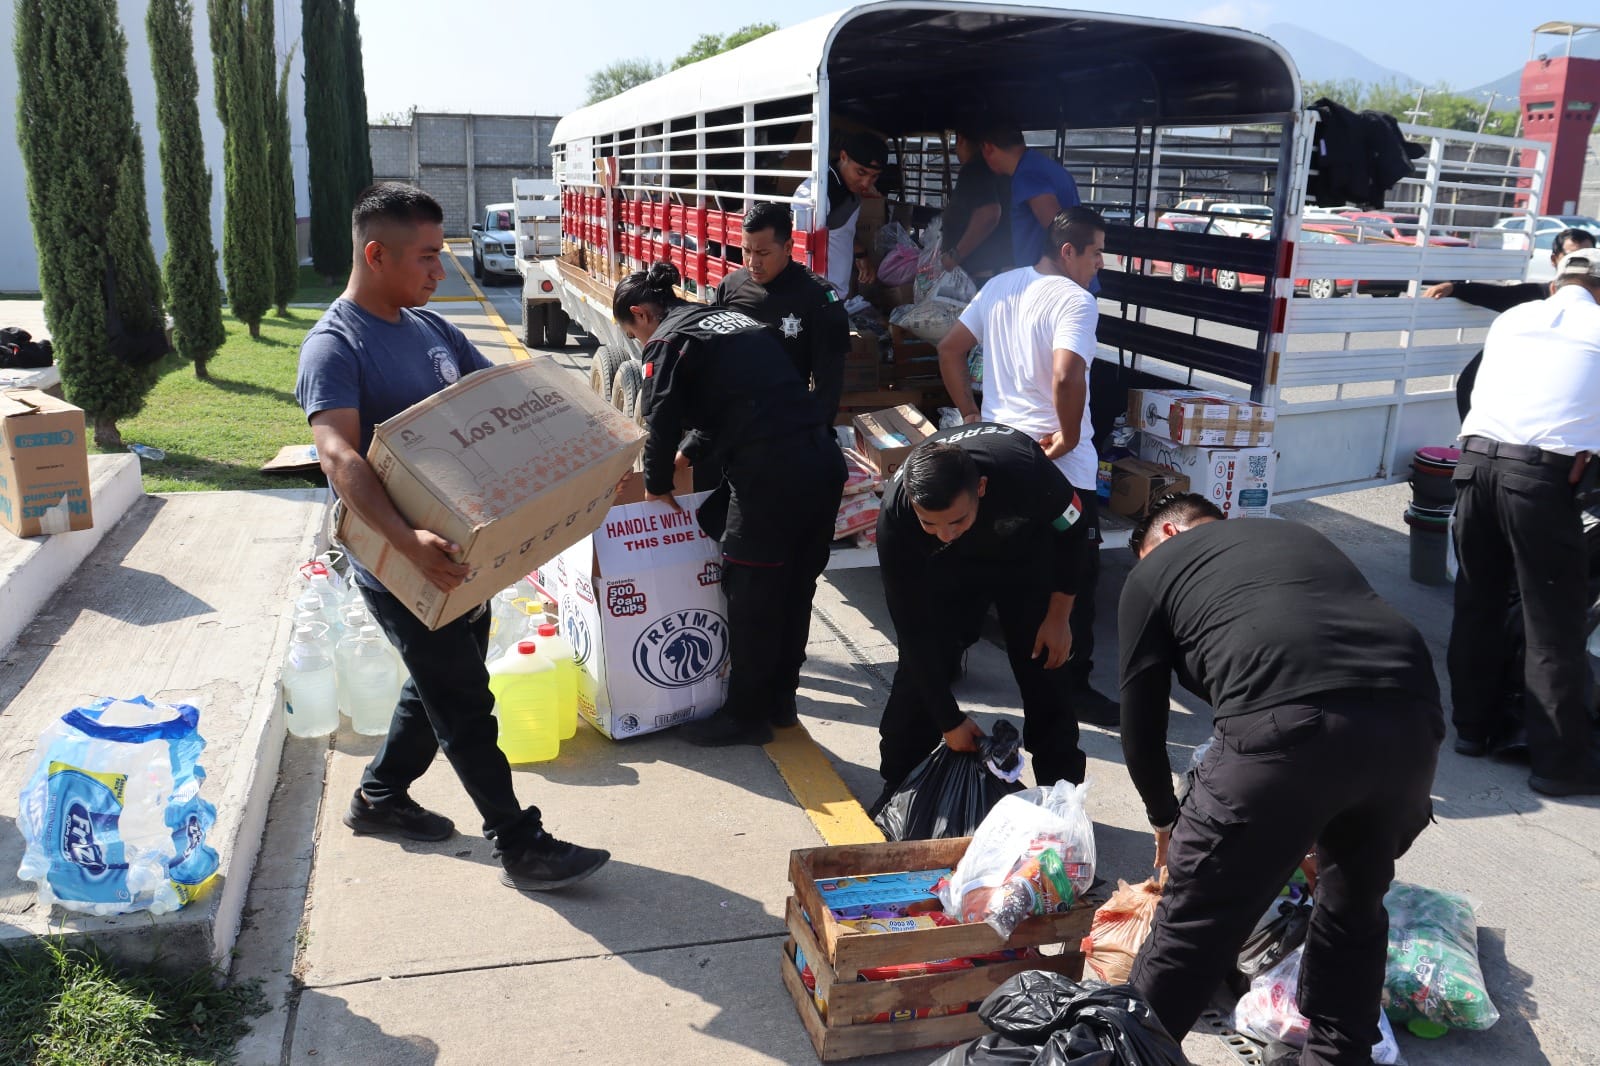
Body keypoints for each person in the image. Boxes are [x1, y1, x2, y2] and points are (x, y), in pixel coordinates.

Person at [295, 182, 610, 893]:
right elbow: (339, 456)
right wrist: (406, 541)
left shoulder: (433, 331)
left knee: (440, 681)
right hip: (399, 562)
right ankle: (520, 844)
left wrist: (590, 451)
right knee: (464, 699)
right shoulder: (335, 347)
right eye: (428, 257)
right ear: (376, 255)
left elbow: (508, 405)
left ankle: (379, 797)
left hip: (465, 555)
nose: (441, 270)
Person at [1118, 494, 1443, 1066]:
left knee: (1194, 925)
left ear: (1166, 535)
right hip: (1410, 727)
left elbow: (1141, 726)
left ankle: (1125, 1057)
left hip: (1285, 729)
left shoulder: (1154, 570)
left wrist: (1165, 820)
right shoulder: (1291, 537)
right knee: (1352, 910)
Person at [616, 262, 847, 746]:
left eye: (633, 334)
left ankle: (744, 717)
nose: (640, 342)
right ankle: (781, 702)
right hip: (822, 465)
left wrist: (656, 485)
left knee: (751, 595)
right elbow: (742, 401)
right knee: (794, 589)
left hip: (771, 477)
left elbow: (660, 419)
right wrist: (688, 454)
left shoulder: (668, 340)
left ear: (641, 314)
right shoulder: (730, 321)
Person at [936, 207, 1116, 722]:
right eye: (1096, 252)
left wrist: (971, 415)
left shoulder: (1001, 286)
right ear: (1068, 251)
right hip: (1061, 465)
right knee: (1073, 574)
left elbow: (950, 349)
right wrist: (1071, 434)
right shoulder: (1076, 300)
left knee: (984, 559)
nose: (1100, 264)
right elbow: (1066, 375)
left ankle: (948, 657)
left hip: (999, 451)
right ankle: (1073, 684)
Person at [871, 426, 1092, 811]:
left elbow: (1078, 532)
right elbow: (913, 631)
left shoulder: (1024, 471)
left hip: (1025, 557)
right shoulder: (897, 516)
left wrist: (1059, 618)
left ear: (982, 488)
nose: (944, 533)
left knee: (1047, 672)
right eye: (930, 523)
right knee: (920, 673)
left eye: (955, 520)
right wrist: (949, 721)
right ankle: (899, 790)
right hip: (949, 571)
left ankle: (1061, 802)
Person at [1447, 249, 1600, 796]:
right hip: (1539, 479)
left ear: (1557, 284)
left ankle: (1471, 730)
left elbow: (1469, 387)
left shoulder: (1513, 319)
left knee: (1478, 604)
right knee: (1552, 622)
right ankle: (1559, 766)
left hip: (1473, 465)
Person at [1424, 227, 1597, 419]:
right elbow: (1499, 295)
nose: (1581, 264)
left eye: (1587, 256)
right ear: (1554, 259)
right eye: (1573, 256)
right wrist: (1454, 288)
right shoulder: (1529, 303)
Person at [712, 201, 851, 426]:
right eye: (746, 251)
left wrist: (816, 433)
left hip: (784, 423)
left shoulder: (819, 298)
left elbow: (829, 382)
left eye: (763, 253)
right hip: (731, 419)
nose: (753, 262)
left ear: (788, 247)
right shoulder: (730, 286)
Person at [975, 125, 1083, 270]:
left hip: (1053, 279)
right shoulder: (1043, 166)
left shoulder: (1026, 176)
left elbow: (1061, 232)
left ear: (988, 148)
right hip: (1070, 275)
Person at [795, 131, 888, 293]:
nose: (866, 183)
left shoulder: (853, 189)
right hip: (816, 294)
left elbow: (842, 230)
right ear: (843, 157)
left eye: (874, 176)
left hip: (837, 293)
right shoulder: (816, 192)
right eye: (861, 172)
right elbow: (798, 251)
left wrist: (860, 254)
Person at [939, 130, 1012, 285]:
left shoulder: (975, 168)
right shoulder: (997, 169)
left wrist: (954, 257)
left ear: (960, 139)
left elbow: (989, 213)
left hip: (986, 276)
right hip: (999, 273)